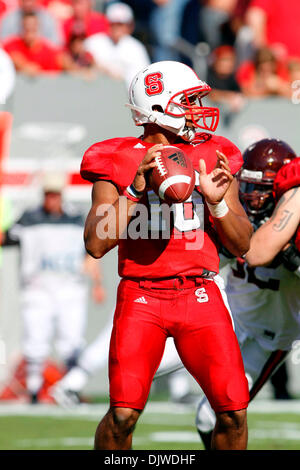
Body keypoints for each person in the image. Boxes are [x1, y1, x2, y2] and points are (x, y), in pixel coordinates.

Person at [80, 59, 253, 450]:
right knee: (122, 416)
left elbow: (242, 244)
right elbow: (95, 243)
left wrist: (217, 204)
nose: (196, 109)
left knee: (232, 413)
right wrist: (135, 190)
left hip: (200, 293)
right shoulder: (117, 158)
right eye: (188, 100)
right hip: (142, 296)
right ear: (158, 108)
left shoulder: (216, 153)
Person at [196, 139, 300, 449]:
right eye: (249, 186)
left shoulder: (292, 222)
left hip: (270, 335)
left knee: (211, 415)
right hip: (231, 320)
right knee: (205, 417)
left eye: (263, 188)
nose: (253, 196)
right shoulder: (237, 213)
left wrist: (294, 260)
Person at [0, 172, 104, 403]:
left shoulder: (76, 218)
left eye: (55, 194)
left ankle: (69, 387)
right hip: (37, 289)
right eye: (48, 194)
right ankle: (35, 390)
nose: (51, 199)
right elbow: (6, 238)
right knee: (35, 340)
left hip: (70, 289)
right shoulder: (29, 219)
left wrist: (97, 283)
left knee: (72, 341)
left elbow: (91, 252)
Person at [84, 2, 150, 90]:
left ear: (129, 26)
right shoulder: (93, 42)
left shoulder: (136, 48)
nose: (116, 28)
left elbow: (142, 79)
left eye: (120, 24)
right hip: (96, 92)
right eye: (113, 23)